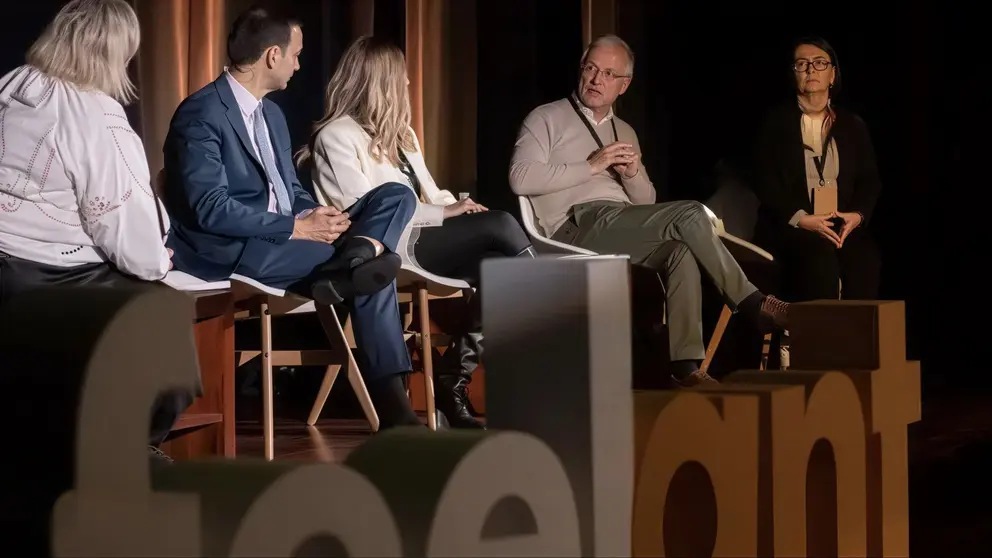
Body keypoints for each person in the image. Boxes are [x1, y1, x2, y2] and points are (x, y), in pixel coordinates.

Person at [162, 8, 423, 429]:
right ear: (271, 56)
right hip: (238, 250)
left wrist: (310, 212)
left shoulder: (272, 115)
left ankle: (351, 259)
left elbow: (289, 189)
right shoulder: (201, 114)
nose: (299, 65)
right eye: (296, 55)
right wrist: (295, 227)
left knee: (395, 196)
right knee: (375, 270)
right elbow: (210, 207)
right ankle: (395, 412)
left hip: (290, 236)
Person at [509, 34, 790, 387]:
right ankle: (753, 303)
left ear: (624, 85)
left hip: (620, 222)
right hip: (574, 225)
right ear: (581, 70)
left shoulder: (623, 129)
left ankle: (686, 367)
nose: (596, 80)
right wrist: (592, 166)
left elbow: (646, 205)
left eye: (609, 74)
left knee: (680, 251)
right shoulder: (546, 117)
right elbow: (520, 178)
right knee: (691, 213)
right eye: (591, 69)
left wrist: (632, 174)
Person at [297, 36, 536, 429]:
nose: (408, 85)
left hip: (427, 237)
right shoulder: (335, 136)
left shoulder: (402, 134)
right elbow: (368, 211)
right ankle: (555, 331)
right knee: (502, 224)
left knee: (497, 264)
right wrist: (444, 212)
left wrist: (457, 208)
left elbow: (430, 190)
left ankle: (452, 379)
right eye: (403, 77)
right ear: (381, 82)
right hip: (390, 246)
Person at [0, 0, 191, 460]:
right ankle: (131, 450)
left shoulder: (10, 85)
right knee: (165, 312)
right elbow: (129, 237)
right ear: (116, 54)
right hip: (47, 274)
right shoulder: (95, 114)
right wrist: (160, 258)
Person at [752, 36, 882, 302]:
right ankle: (818, 341)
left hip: (840, 223)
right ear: (793, 75)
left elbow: (870, 181)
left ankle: (856, 341)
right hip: (794, 226)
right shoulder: (775, 123)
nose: (811, 69)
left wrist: (856, 215)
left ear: (832, 75)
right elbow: (764, 181)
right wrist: (800, 218)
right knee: (817, 260)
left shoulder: (852, 125)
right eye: (802, 64)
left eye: (820, 63)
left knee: (865, 261)